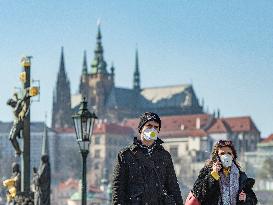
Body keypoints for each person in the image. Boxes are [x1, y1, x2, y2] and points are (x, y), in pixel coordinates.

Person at [112, 112, 183, 205]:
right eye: (149, 126)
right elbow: (118, 187)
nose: (152, 129)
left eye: (156, 127)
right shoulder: (126, 155)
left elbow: (173, 186)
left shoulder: (164, 156)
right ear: (141, 128)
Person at [189, 140, 257, 205]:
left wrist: (246, 198)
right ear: (217, 157)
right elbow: (198, 193)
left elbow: (253, 199)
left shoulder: (241, 176)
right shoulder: (207, 172)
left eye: (229, 153)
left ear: (233, 156)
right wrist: (213, 175)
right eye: (222, 153)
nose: (226, 156)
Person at [7, 91, 31, 156]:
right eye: (11, 104)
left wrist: (26, 96)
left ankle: (18, 151)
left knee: (12, 138)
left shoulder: (17, 106)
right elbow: (19, 102)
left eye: (12, 102)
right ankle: (18, 150)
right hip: (16, 124)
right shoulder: (15, 108)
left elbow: (19, 102)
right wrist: (25, 96)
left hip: (19, 124)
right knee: (10, 138)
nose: (12, 104)